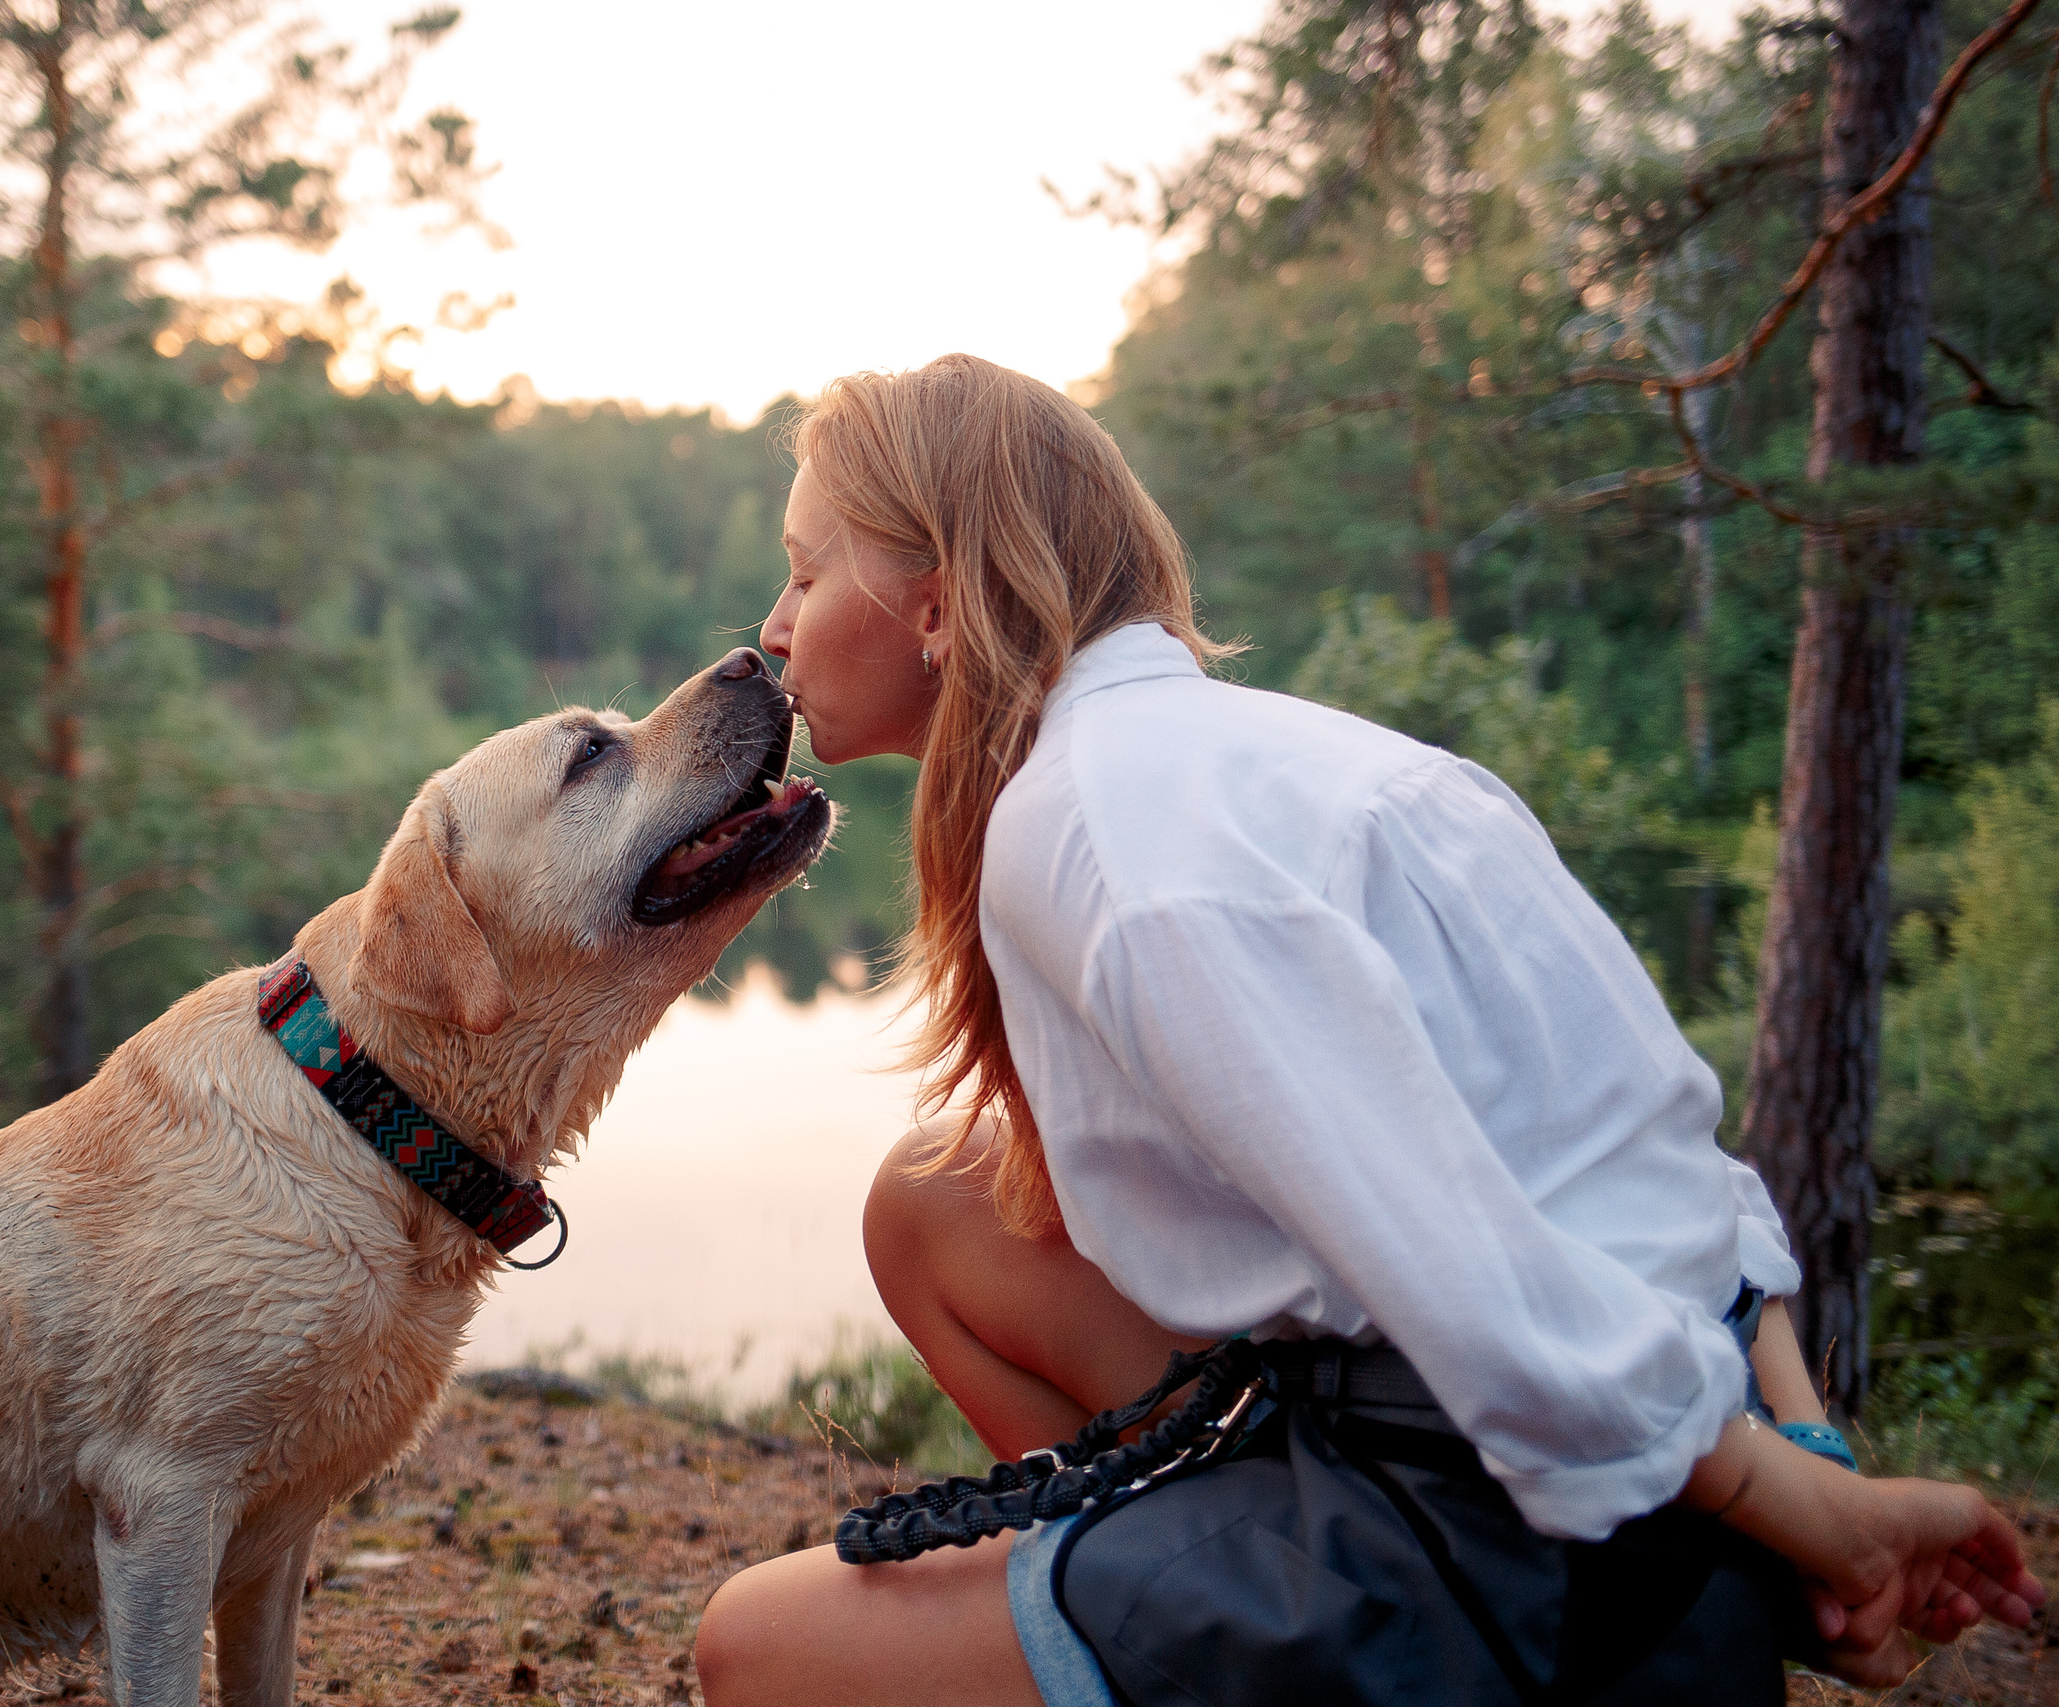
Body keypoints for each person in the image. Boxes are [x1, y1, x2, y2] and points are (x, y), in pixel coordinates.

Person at [691, 354, 2043, 1707]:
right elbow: (1677, 1179)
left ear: (935, 600)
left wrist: (1817, 1519)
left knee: (756, 1651)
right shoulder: (1331, 765)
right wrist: (1792, 1435)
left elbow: (1481, 1293)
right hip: (1617, 1473)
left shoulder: (1104, 838)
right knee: (938, 1203)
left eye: (808, 571)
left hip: (1498, 1545)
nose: (778, 622)